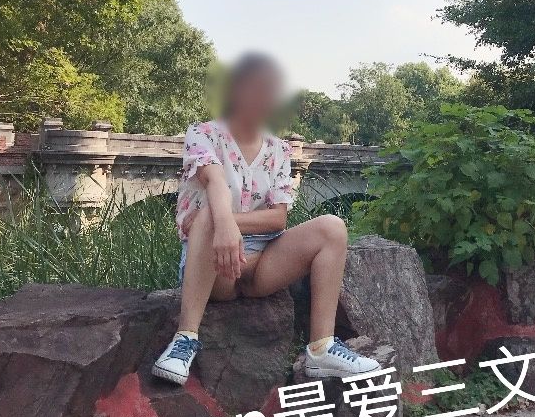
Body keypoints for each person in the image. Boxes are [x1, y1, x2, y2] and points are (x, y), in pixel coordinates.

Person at [153, 53, 380, 385]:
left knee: (332, 227)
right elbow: (214, 181)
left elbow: (278, 219)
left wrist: (229, 223)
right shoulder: (203, 134)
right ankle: (184, 339)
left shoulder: (279, 150)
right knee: (209, 216)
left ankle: (321, 348)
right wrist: (220, 225)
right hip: (213, 266)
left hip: (263, 264)